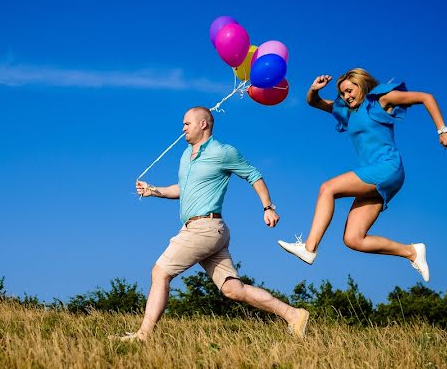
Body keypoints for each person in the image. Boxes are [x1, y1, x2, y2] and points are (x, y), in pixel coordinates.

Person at [124, 106, 310, 341]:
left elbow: (253, 175)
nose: (182, 128)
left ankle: (143, 335)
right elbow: (184, 189)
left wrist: (268, 207)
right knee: (234, 290)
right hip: (206, 231)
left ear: (203, 124)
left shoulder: (223, 152)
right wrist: (154, 191)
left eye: (186, 123)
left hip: (205, 229)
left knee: (160, 272)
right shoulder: (185, 155)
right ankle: (294, 315)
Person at [277, 69, 447, 282]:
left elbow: (426, 97)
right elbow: (314, 102)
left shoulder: (381, 100)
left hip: (387, 168)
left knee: (328, 188)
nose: (346, 96)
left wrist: (442, 130)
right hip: (376, 175)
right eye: (342, 94)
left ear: (362, 86)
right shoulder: (348, 112)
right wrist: (314, 90)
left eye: (349, 91)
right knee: (354, 239)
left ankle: (309, 247)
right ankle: (412, 252)